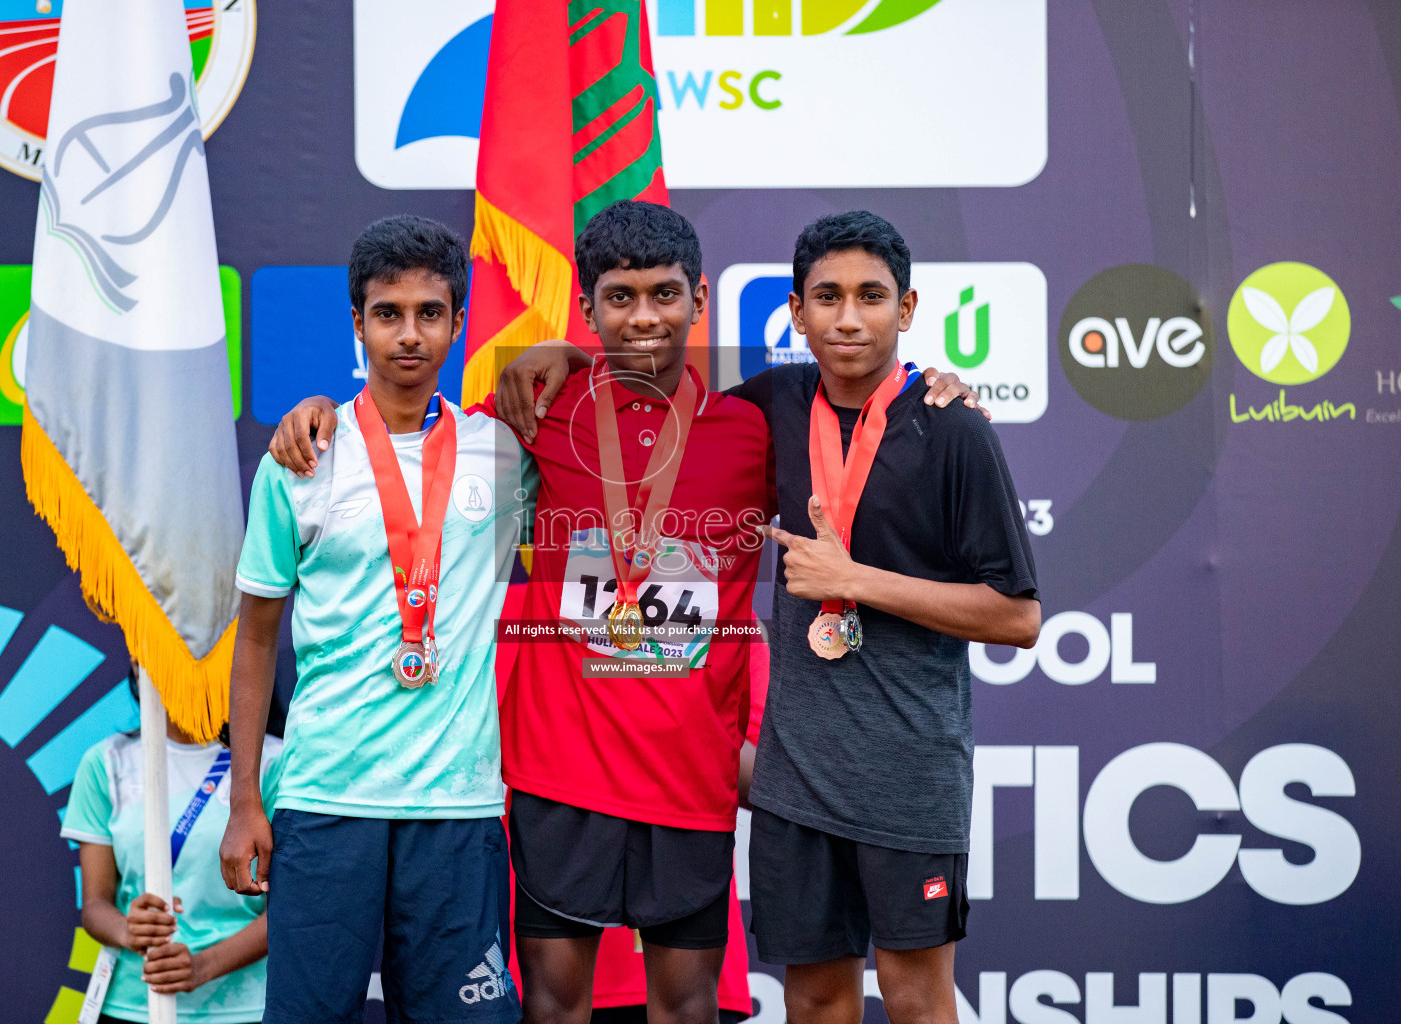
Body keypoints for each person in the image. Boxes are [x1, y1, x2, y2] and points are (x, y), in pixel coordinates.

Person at [266, 201, 982, 1024]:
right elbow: (411, 435)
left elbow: (856, 413)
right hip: (558, 775)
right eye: (621, 297)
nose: (644, 317)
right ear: (587, 305)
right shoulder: (537, 411)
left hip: (689, 779)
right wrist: (315, 407)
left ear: (701, 300)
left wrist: (936, 385)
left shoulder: (756, 427)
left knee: (684, 1009)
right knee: (554, 1007)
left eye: (665, 295)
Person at [220, 216, 534, 1024]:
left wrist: (556, 354)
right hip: (327, 801)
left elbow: (610, 408)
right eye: (387, 313)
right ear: (357, 324)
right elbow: (255, 637)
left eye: (430, 312)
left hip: (458, 810)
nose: (409, 334)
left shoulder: (502, 455)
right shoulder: (300, 459)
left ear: (459, 323)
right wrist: (245, 800)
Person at [743, 211, 1040, 1024]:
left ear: (906, 310)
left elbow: (1018, 617)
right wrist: (558, 357)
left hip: (909, 777)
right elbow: (655, 406)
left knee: (915, 999)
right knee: (812, 999)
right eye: (827, 297)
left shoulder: (954, 429)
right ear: (796, 312)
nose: (848, 317)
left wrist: (854, 580)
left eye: (871, 297)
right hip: (797, 776)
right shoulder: (768, 403)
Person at [62, 665, 282, 1024]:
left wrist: (202, 967)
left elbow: (291, 913)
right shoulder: (106, 763)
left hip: (244, 1008)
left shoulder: (276, 763)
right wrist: (126, 929)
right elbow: (96, 904)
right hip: (131, 1005)